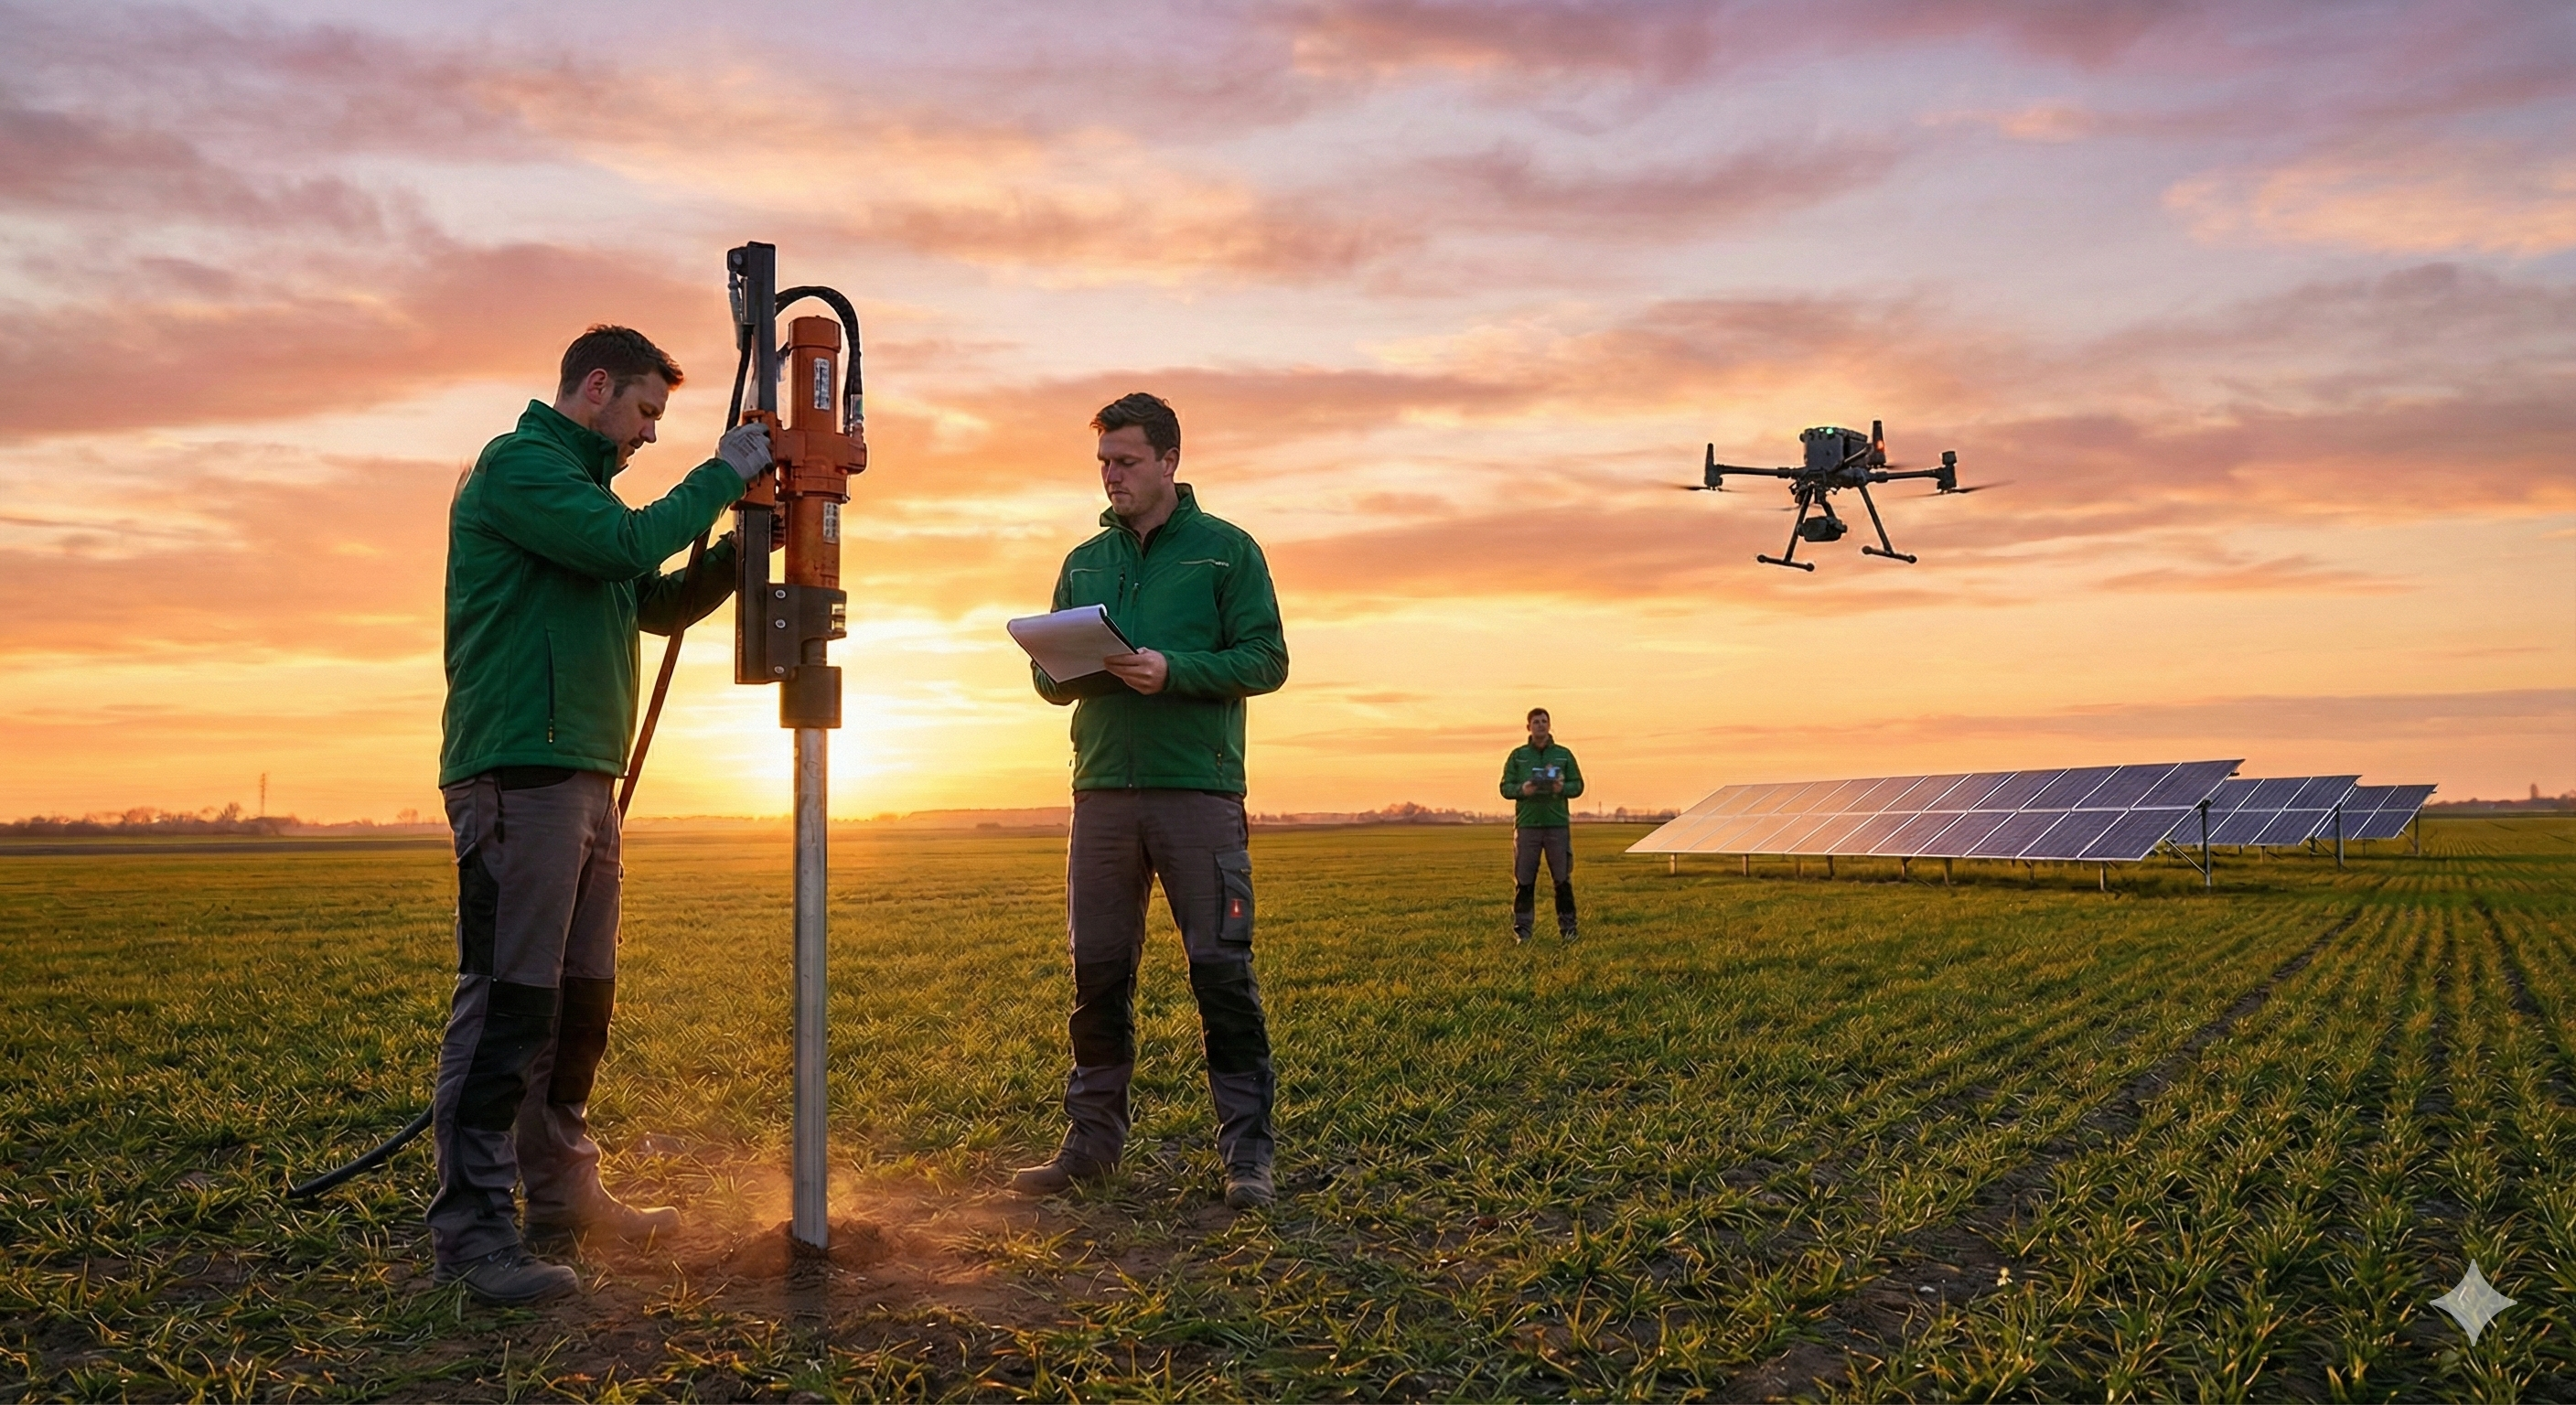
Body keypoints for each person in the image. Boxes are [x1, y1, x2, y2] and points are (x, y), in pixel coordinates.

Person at [431, 325, 774, 1303]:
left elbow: (651, 599)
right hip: (518, 776)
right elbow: (623, 545)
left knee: (577, 1004)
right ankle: (472, 1234)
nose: (650, 435)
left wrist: (751, 544)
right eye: (646, 412)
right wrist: (719, 475)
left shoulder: (586, 499)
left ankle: (563, 1194)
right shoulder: (520, 470)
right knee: (508, 1007)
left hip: (582, 777)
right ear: (593, 388)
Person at [1013, 391, 1291, 1210]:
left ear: (1170, 461)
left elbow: (1267, 660)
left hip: (1198, 793)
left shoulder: (1226, 553)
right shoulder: (1084, 563)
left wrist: (1176, 671)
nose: (1112, 477)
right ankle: (1091, 1147)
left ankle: (1248, 1159)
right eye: (1104, 463)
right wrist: (1058, 666)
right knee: (1098, 978)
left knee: (1222, 978)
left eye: (1127, 461)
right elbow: (1045, 677)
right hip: (1099, 794)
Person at [1499, 708, 1585, 942]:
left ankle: (1569, 931)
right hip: (1528, 826)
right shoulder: (1518, 756)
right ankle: (1523, 934)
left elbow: (1578, 785)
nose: (1540, 725)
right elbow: (1505, 788)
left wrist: (1562, 788)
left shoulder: (1563, 755)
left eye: (1544, 721)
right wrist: (1522, 790)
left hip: (1556, 824)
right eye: (1535, 722)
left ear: (1549, 725)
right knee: (1524, 882)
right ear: (1529, 727)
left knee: (1562, 880)